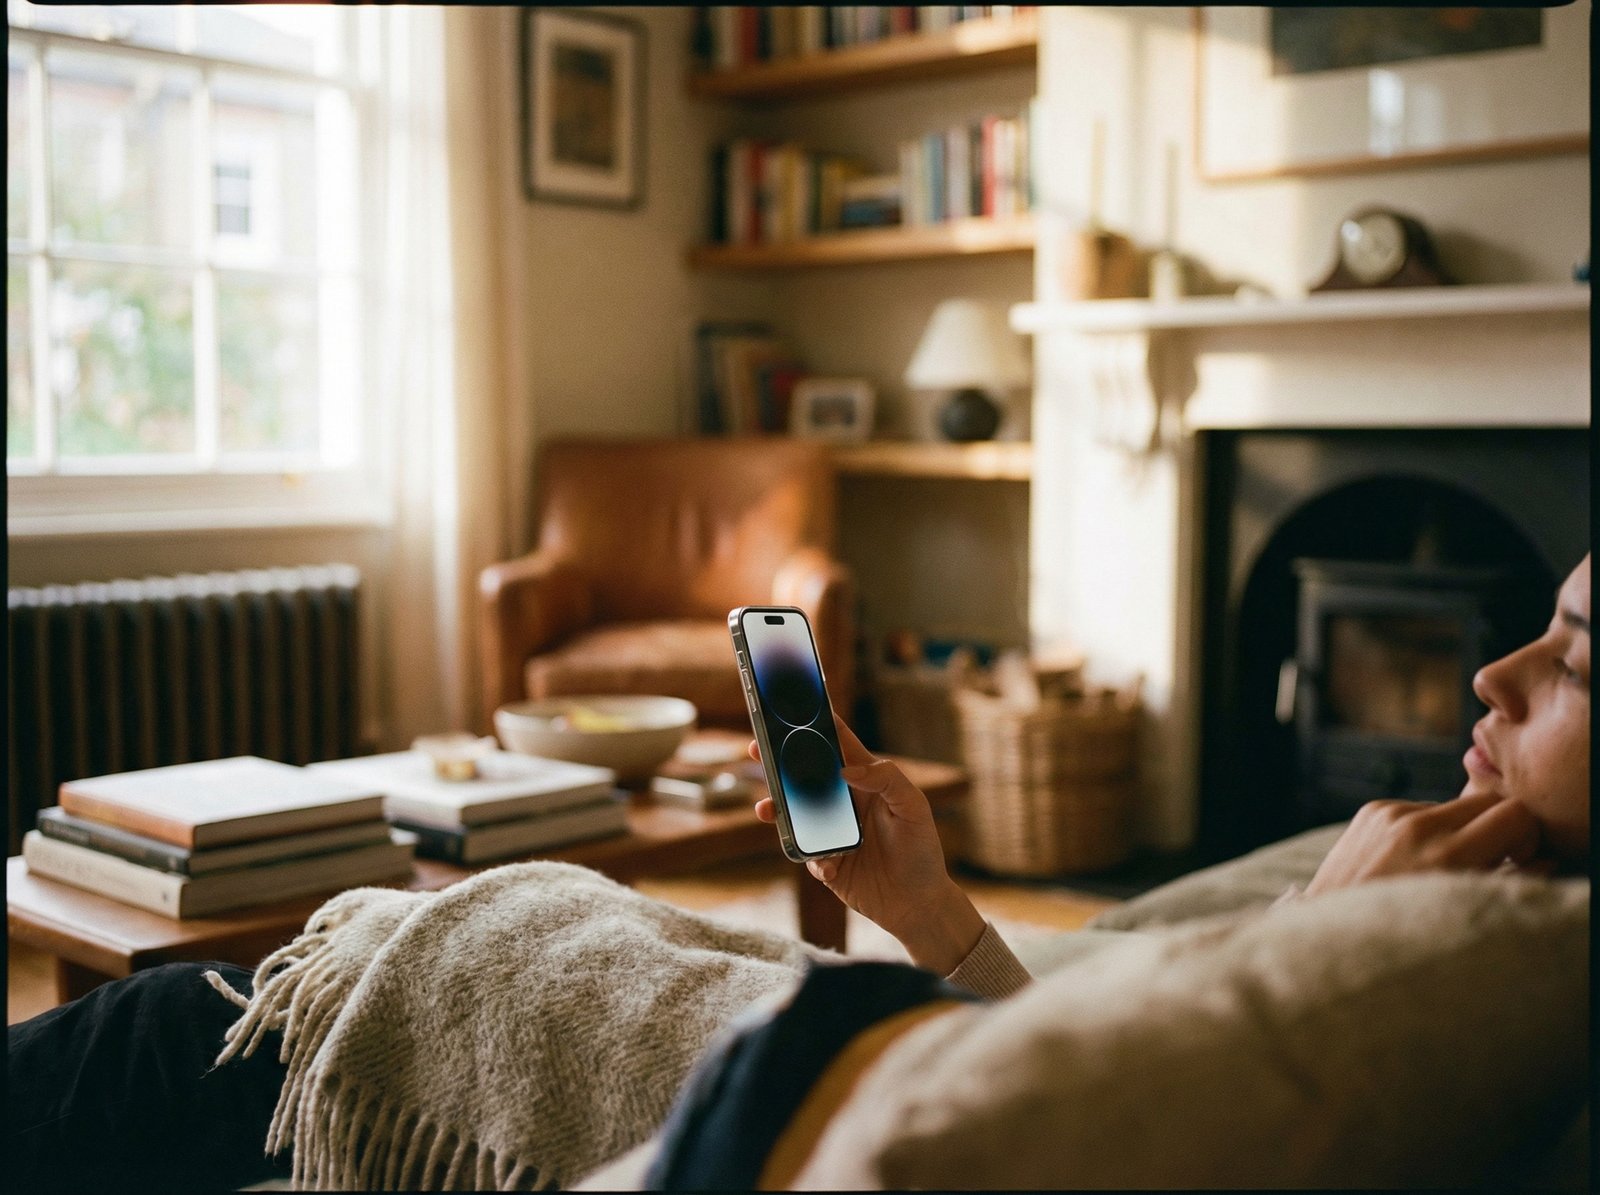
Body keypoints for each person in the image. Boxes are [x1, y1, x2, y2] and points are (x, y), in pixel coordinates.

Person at [8, 555, 1589, 1191]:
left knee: (168, 1031)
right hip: (772, 1001)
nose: (1494, 676)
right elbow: (1040, 1041)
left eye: (1579, 660)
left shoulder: (1415, 983)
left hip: (526, 1017)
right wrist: (930, 912)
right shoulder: (1485, 923)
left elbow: (1068, 1104)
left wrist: (1303, 952)